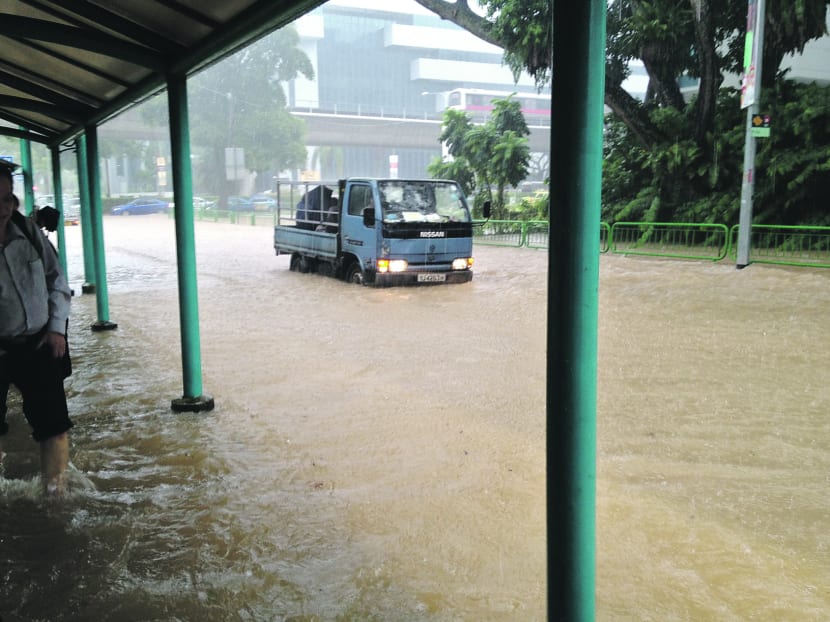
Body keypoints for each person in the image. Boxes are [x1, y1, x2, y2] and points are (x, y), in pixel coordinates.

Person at [0, 162, 73, 495]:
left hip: (38, 342)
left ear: (13, 202)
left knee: (55, 428)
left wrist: (57, 329)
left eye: (5, 200)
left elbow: (56, 281)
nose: (1, 209)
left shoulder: (29, 234)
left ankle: (54, 500)